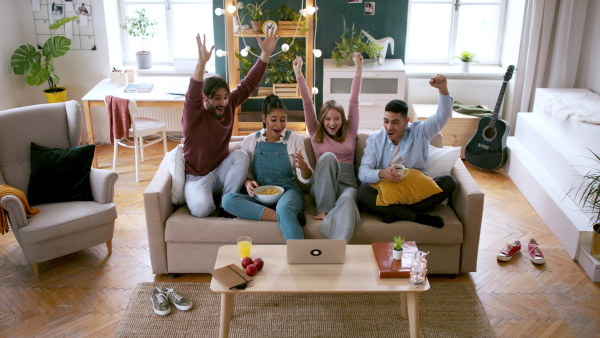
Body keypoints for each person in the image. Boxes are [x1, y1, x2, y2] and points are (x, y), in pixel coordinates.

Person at [182, 30, 279, 218]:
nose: (223, 103)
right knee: (202, 210)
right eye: (217, 98)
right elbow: (192, 93)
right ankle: (214, 203)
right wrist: (201, 63)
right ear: (205, 99)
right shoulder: (193, 115)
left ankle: (228, 204)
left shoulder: (228, 105)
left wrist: (265, 54)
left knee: (241, 155)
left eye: (226, 97)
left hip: (220, 171)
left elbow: (249, 84)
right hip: (197, 177)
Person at [357, 74, 457, 228]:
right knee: (363, 191)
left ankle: (393, 213)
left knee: (449, 182)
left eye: (395, 122)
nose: (389, 127)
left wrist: (443, 90)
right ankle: (416, 217)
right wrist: (382, 173)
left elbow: (443, 116)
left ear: (406, 121)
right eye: (386, 121)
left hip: (415, 187)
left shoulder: (420, 131)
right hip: (387, 187)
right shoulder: (375, 139)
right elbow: (363, 172)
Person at [222, 94, 314, 240]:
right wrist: (247, 182)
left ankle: (299, 255)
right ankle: (286, 217)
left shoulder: (294, 139)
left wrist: (303, 167)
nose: (279, 124)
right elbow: (247, 174)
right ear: (264, 118)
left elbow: (307, 179)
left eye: (283, 120)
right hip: (261, 195)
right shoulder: (250, 141)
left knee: (284, 207)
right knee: (227, 200)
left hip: (288, 192)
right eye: (273, 119)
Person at [293, 52, 363, 242]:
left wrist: (358, 69)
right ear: (322, 121)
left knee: (349, 201)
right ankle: (324, 210)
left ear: (343, 119)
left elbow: (354, 101)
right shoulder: (316, 133)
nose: (332, 123)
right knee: (328, 157)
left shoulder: (350, 130)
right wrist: (298, 73)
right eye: (328, 119)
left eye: (337, 118)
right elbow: (308, 104)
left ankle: (337, 247)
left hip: (347, 184)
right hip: (323, 185)